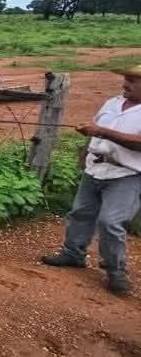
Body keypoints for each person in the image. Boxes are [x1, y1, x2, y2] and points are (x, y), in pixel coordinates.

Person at [42, 64, 141, 295]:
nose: (125, 84)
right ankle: (73, 254)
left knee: (110, 222)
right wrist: (85, 149)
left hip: (125, 174)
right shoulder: (112, 103)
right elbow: (97, 127)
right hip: (95, 169)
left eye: (133, 81)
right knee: (80, 213)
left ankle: (116, 271)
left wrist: (100, 132)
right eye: (126, 79)